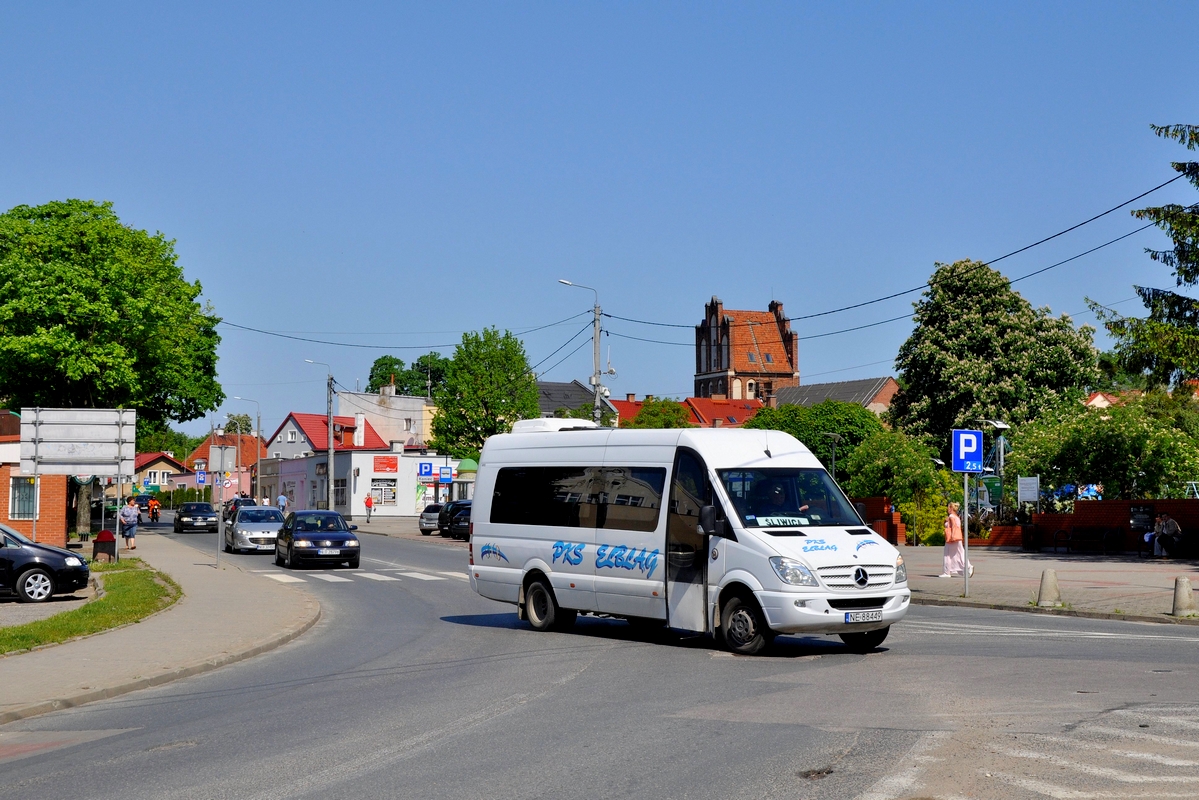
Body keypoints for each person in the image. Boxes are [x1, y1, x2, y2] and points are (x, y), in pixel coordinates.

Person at [939, 502, 973, 578]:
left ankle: (947, 572)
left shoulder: (951, 516)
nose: (947, 509)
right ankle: (966, 567)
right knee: (959, 553)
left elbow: (953, 526)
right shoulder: (956, 517)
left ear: (951, 508)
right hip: (958, 538)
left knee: (947, 554)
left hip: (952, 538)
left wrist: (952, 537)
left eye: (948, 507)